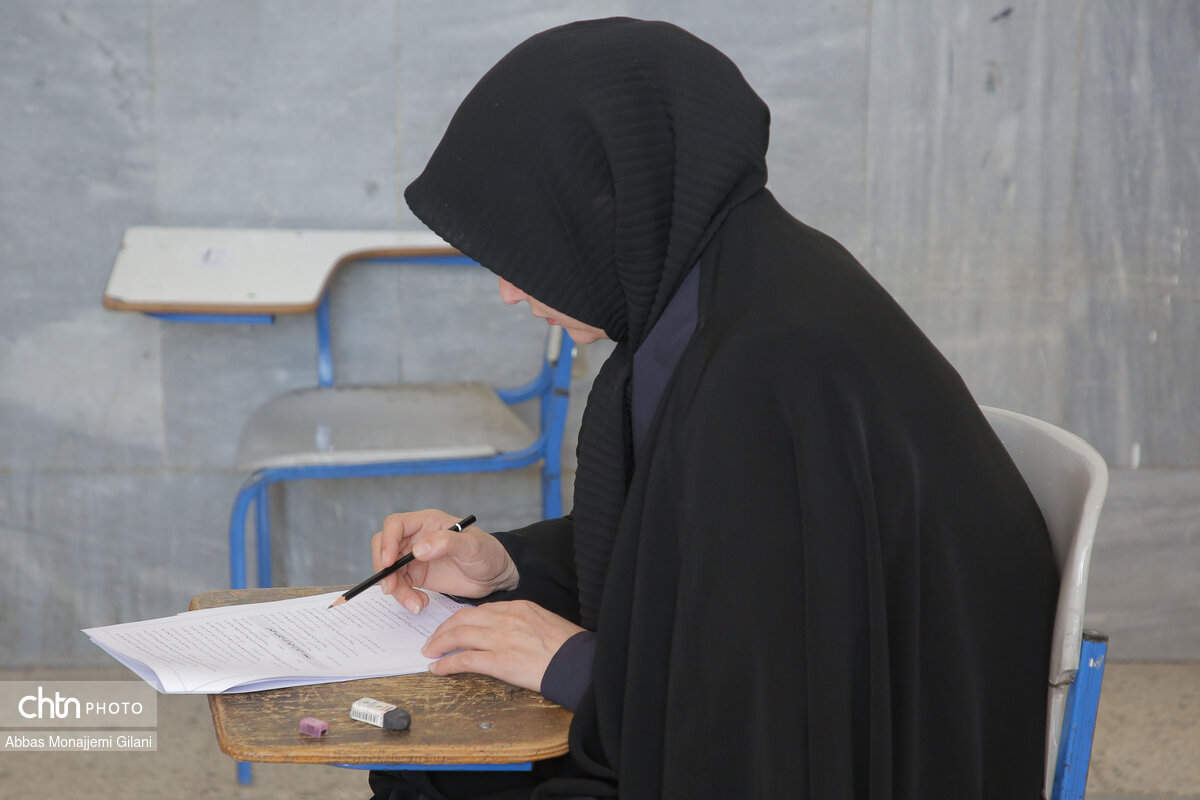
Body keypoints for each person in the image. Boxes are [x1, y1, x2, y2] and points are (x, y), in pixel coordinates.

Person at [368, 17, 1059, 800]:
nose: (508, 290)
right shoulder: (728, 289)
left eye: (528, 248)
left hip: (877, 757)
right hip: (785, 719)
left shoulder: (768, 367)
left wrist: (572, 664)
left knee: (438, 775)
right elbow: (700, 554)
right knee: (432, 764)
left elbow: (770, 715)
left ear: (610, 208)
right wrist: (508, 564)